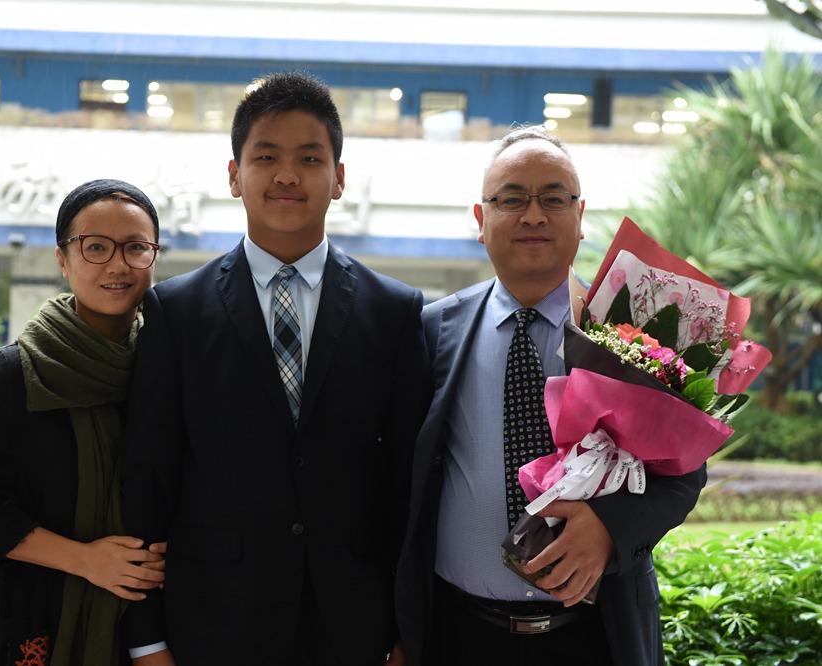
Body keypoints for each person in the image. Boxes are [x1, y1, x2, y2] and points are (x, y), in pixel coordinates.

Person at [119, 71, 432, 666]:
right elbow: (148, 478)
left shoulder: (394, 311)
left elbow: (407, 488)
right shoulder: (176, 311)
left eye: (310, 158)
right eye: (266, 157)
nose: (287, 175)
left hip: (355, 627)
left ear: (338, 178)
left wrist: (405, 631)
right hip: (213, 624)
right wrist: (147, 639)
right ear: (234, 175)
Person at [394, 125, 707, 666]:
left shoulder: (636, 330)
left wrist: (611, 527)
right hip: (457, 635)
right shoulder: (430, 330)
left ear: (580, 218)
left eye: (554, 199)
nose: (534, 216)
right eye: (512, 199)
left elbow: (685, 470)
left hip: (595, 636)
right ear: (481, 219)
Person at [0, 179, 168, 666]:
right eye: (95, 247)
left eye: (136, 247)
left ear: (153, 257)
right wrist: (86, 560)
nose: (118, 265)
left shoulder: (165, 369)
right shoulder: (18, 371)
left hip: (139, 624)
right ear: (63, 260)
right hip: (27, 619)